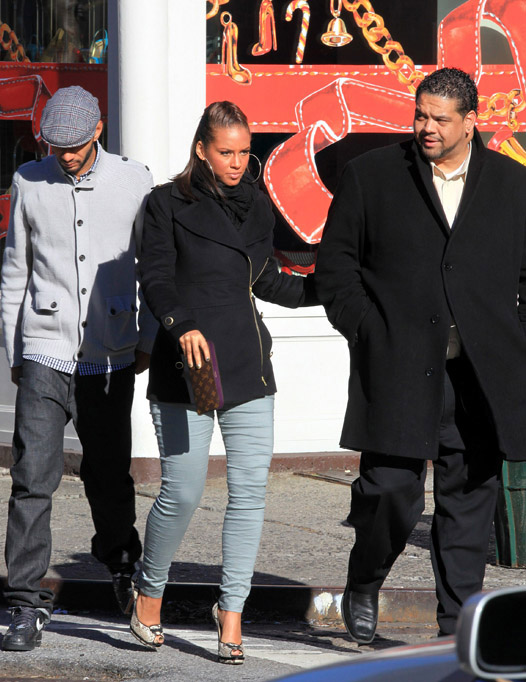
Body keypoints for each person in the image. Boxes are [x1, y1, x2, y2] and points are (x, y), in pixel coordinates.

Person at [315, 67, 526, 642]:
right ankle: (365, 579)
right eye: (420, 115)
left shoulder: (512, 184)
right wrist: (367, 330)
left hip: (479, 375)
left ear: (471, 122)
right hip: (399, 365)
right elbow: (335, 268)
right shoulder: (372, 176)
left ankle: (457, 631)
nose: (426, 127)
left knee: (467, 504)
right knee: (389, 491)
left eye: (439, 118)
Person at [132, 100, 316, 664]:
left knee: (249, 492)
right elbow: (156, 276)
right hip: (191, 366)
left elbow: (266, 281)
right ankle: (147, 590)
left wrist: (333, 288)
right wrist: (179, 323)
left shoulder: (257, 207)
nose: (238, 163)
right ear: (201, 149)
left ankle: (231, 612)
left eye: (244, 153)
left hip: (245, 364)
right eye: (226, 152)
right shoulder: (165, 204)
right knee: (183, 491)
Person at [0, 86, 156, 651]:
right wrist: (16, 352)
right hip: (44, 349)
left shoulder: (134, 180)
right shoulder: (28, 180)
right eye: (55, 145)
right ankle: (23, 601)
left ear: (97, 131)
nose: (64, 155)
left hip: (110, 354)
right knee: (30, 479)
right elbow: (16, 268)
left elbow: (153, 267)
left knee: (109, 476)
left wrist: (149, 340)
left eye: (74, 144)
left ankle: (120, 567)